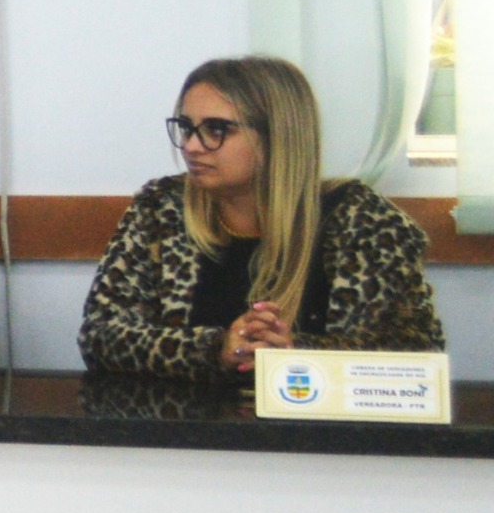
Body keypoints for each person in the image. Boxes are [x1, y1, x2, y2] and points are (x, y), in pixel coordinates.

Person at [80, 55, 444, 379]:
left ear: (277, 136)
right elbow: (100, 336)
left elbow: (416, 351)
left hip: (316, 429)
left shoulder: (361, 219)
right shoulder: (160, 208)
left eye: (216, 130)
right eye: (187, 128)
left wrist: (291, 352)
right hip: (189, 427)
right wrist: (214, 349)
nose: (191, 146)